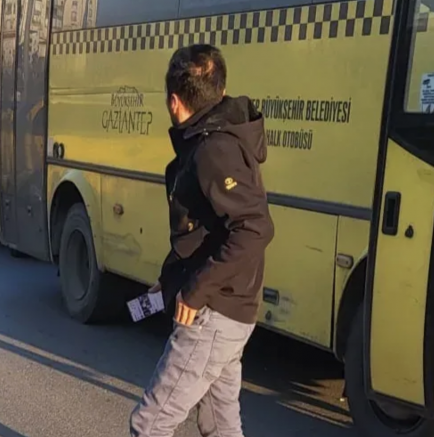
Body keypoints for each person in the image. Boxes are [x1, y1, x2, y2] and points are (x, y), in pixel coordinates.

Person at [129, 44, 275, 437]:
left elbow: (254, 228)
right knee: (219, 425)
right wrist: (174, 279)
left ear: (174, 102)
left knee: (149, 425)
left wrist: (195, 291)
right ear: (220, 90)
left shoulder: (214, 148)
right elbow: (207, 228)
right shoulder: (219, 137)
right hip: (231, 309)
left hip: (215, 313)